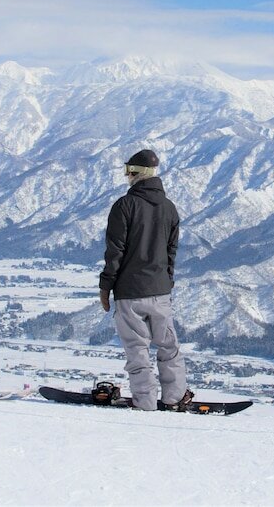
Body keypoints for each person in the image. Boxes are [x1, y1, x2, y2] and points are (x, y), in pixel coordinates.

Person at [99, 149, 192, 411]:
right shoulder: (169, 208)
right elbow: (171, 252)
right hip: (160, 291)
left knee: (137, 350)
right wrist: (166, 281)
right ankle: (175, 397)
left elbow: (114, 252)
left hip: (130, 292)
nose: (126, 176)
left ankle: (145, 402)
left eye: (128, 171)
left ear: (135, 173)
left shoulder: (124, 206)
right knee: (169, 347)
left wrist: (106, 287)